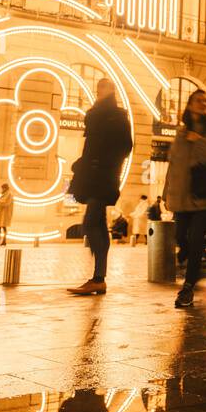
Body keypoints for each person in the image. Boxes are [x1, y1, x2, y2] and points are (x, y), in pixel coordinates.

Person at [67, 77, 133, 296]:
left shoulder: (117, 115)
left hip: (103, 176)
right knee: (99, 226)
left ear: (112, 90)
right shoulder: (95, 114)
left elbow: (125, 146)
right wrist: (83, 163)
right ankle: (99, 278)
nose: (100, 90)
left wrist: (102, 163)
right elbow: (90, 147)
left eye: (104, 87)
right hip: (94, 175)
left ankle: (99, 277)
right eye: (98, 87)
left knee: (89, 224)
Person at [164, 89, 206, 307]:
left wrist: (200, 141)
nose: (202, 103)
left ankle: (188, 287)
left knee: (195, 241)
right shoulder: (181, 133)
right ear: (189, 105)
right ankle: (192, 254)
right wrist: (166, 191)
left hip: (205, 196)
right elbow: (173, 165)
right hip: (182, 197)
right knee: (180, 237)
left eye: (205, 100)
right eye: (198, 100)